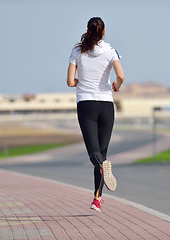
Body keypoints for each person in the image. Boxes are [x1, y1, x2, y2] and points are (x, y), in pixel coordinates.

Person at [67, 17, 125, 212]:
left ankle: (100, 178)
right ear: (104, 32)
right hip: (106, 105)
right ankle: (97, 199)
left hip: (86, 104)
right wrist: (116, 85)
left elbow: (69, 81)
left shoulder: (77, 51)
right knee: (103, 153)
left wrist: (80, 82)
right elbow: (121, 76)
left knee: (94, 153)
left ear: (87, 30)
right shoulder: (110, 51)